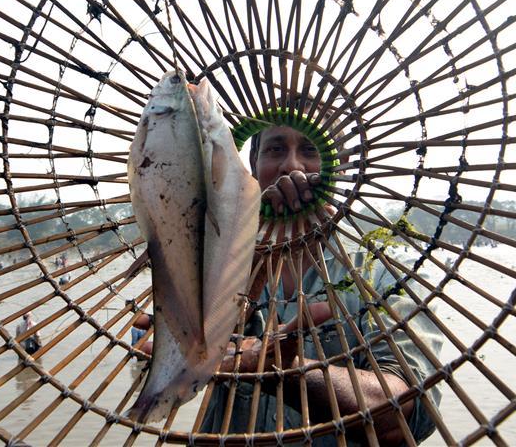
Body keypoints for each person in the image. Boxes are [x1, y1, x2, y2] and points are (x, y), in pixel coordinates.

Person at [139, 122, 442, 444]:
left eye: (310, 150)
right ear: (253, 164)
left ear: (337, 167)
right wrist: (252, 261)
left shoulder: (384, 274)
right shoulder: (212, 263)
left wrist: (285, 371)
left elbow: (404, 416)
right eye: (275, 149)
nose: (292, 166)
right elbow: (159, 365)